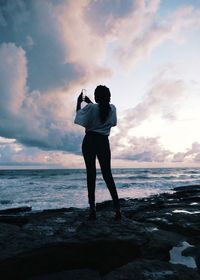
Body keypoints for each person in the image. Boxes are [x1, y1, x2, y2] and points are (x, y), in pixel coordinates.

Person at [74, 85, 121, 220]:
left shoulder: (91, 108)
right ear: (108, 96)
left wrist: (79, 102)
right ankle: (118, 210)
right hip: (103, 143)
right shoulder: (112, 108)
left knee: (91, 174)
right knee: (108, 175)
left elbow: (79, 117)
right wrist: (91, 104)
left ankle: (92, 210)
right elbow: (110, 120)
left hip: (89, 141)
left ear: (96, 96)